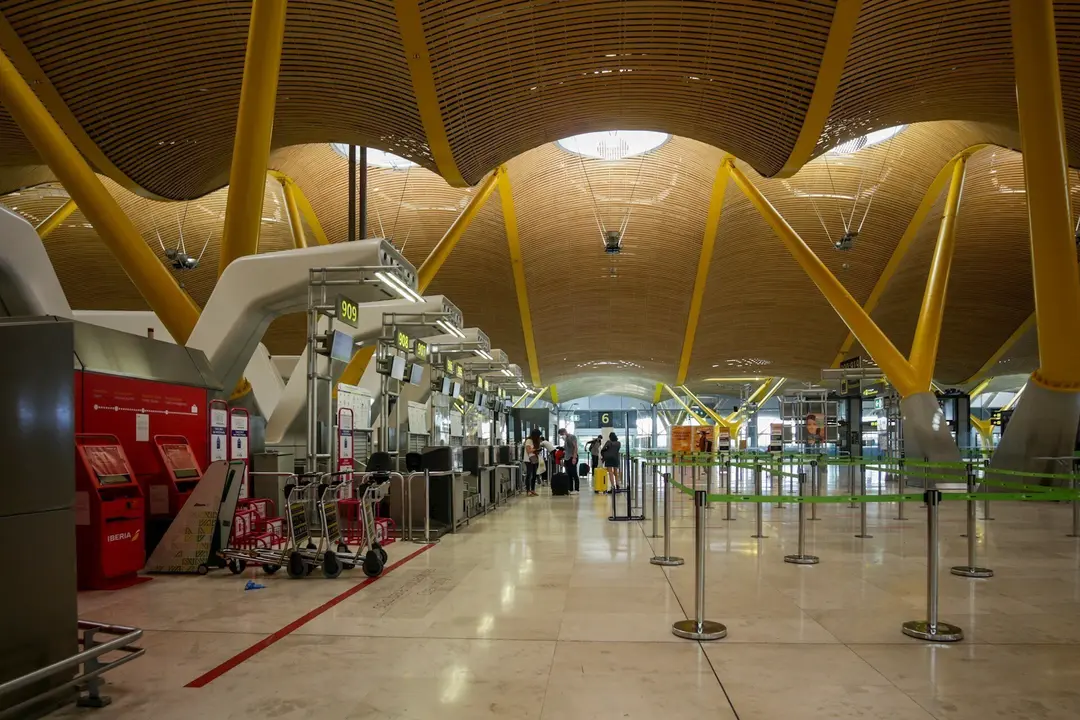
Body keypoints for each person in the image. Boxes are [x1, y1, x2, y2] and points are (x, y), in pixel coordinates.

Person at [558, 428, 579, 493]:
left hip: (572, 457)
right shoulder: (566, 439)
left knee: (574, 473)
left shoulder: (572, 437)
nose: (562, 436)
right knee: (568, 474)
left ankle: (576, 489)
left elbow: (575, 447)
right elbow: (566, 448)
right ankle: (570, 489)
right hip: (567, 458)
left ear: (564, 432)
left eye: (562, 434)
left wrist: (574, 457)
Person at [524, 428, 541, 496]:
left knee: (534, 475)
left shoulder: (534, 441)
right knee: (529, 475)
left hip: (534, 459)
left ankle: (533, 489)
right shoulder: (528, 441)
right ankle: (528, 490)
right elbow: (528, 450)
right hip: (528, 460)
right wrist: (536, 449)